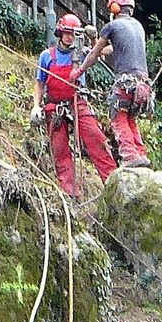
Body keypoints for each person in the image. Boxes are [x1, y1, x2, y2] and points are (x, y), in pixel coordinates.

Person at [31, 13, 117, 197]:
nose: (70, 38)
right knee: (60, 149)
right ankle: (68, 192)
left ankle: (113, 183)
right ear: (60, 33)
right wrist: (36, 106)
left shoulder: (83, 53)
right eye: (67, 33)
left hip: (77, 101)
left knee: (96, 139)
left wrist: (94, 37)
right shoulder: (47, 56)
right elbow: (39, 83)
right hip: (54, 106)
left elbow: (105, 50)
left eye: (73, 34)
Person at [70, 0, 153, 168]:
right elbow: (109, 51)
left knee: (118, 117)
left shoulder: (112, 26)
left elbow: (94, 54)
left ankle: (130, 155)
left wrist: (80, 70)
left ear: (114, 8)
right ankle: (140, 153)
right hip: (144, 84)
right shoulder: (138, 27)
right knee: (130, 117)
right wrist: (94, 45)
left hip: (126, 82)